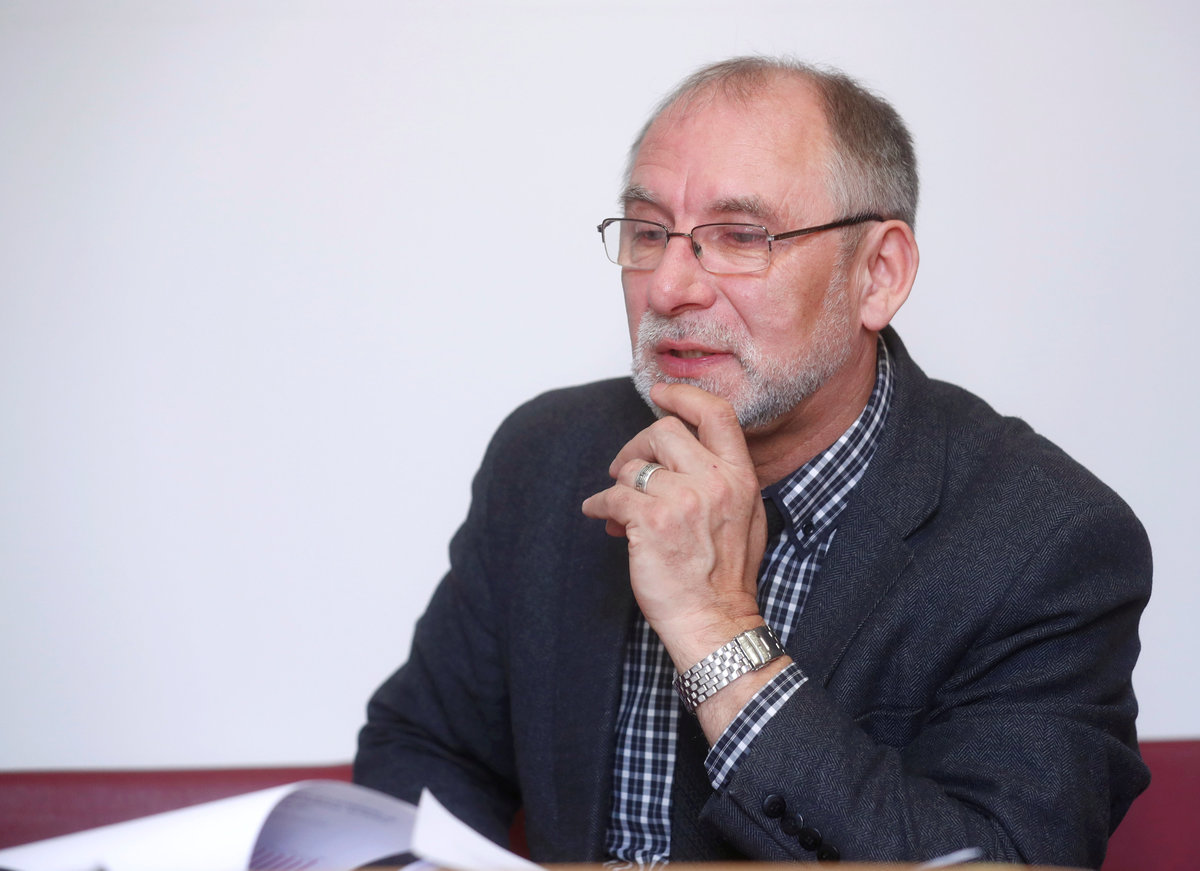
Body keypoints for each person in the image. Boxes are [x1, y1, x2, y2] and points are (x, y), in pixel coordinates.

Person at [354, 56, 1150, 868]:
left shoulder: (1047, 540)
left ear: (878, 274)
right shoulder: (548, 453)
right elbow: (425, 747)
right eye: (648, 233)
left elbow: (1000, 858)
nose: (669, 286)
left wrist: (716, 629)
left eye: (739, 237)